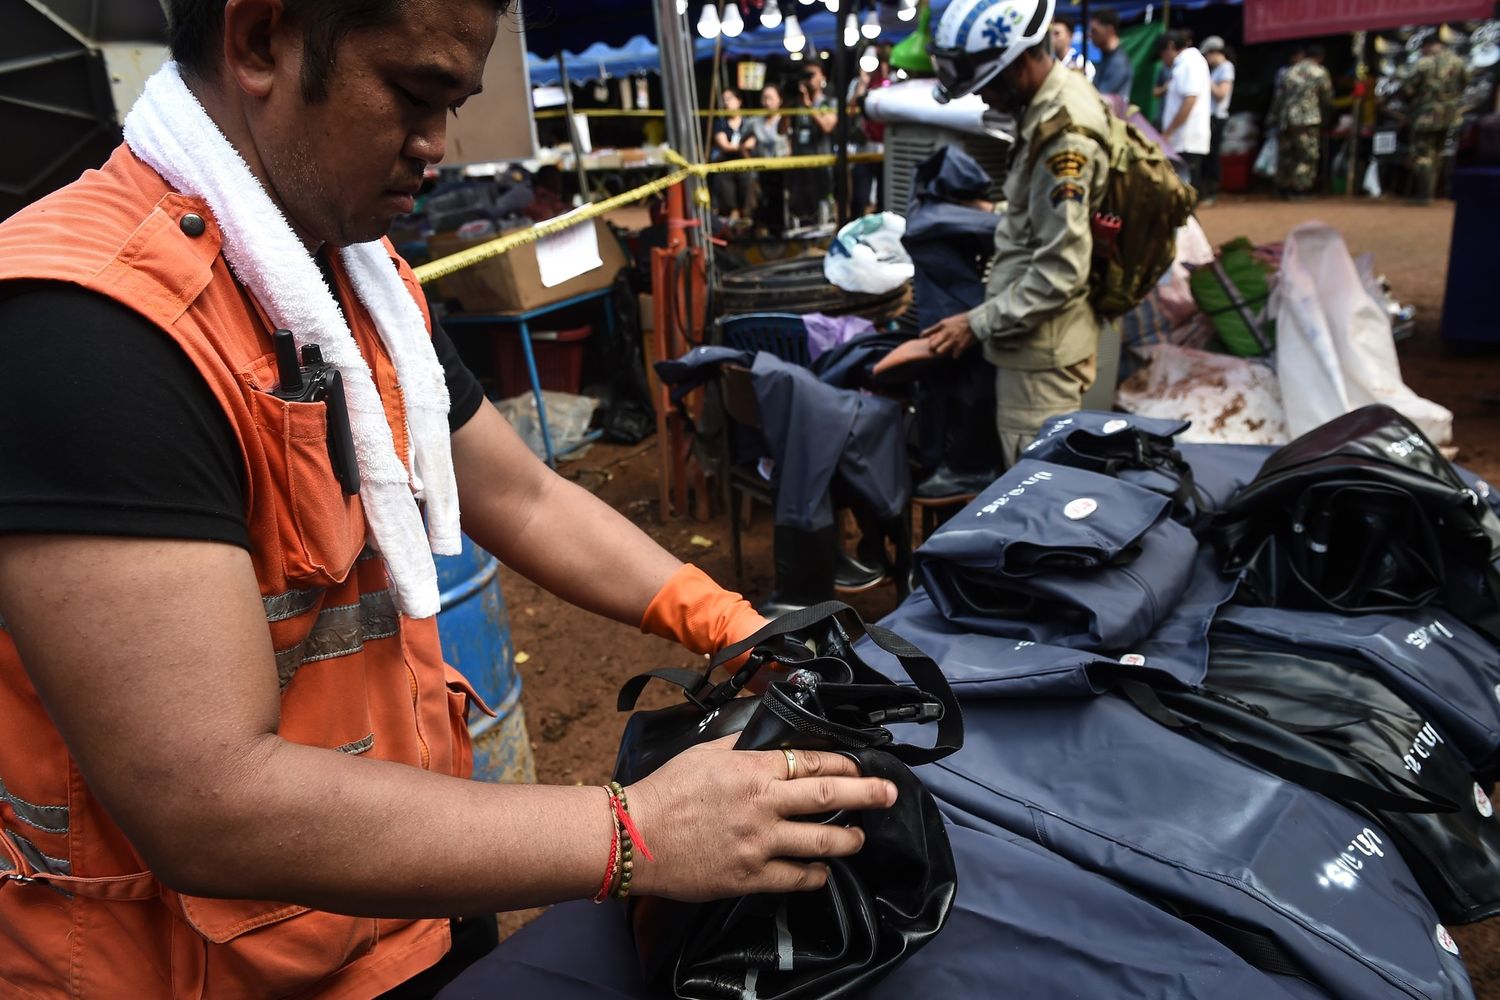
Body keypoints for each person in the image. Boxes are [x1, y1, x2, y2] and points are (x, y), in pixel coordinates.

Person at [0, 1, 898, 996]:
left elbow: (523, 496)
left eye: (454, 104)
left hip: (404, 889)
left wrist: (731, 625)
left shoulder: (357, 278)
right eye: (413, 93)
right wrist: (634, 832)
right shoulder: (90, 331)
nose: (437, 145)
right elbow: (208, 799)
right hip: (215, 968)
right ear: (259, 40)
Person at [926, 0, 1110, 467]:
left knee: (1038, 487)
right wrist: (996, 211)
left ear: (1021, 61)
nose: (985, 100)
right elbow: (1044, 210)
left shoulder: (1064, 137)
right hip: (1032, 341)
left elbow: (1060, 271)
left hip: (1040, 358)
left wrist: (974, 324)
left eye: (988, 85)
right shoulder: (1050, 104)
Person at [1401, 34, 1470, 205]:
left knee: (1423, 154)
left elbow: (1408, 89)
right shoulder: (1458, 62)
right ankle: (1437, 191)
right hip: (1449, 116)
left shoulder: (1424, 63)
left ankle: (1425, 195)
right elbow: (1464, 84)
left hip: (1426, 116)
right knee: (1438, 153)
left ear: (1427, 46)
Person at [1272, 44, 1333, 198]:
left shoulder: (1290, 71)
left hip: (1286, 119)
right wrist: (1328, 116)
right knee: (1306, 155)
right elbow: (1327, 98)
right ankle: (1300, 188)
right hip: (1307, 119)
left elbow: (1278, 98)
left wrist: (1275, 117)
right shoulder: (1319, 72)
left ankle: (1282, 186)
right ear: (1320, 58)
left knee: (1287, 153)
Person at [1157, 30, 1213, 188]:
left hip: (1187, 140)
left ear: (1170, 47)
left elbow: (1190, 100)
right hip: (1182, 140)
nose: (1163, 60)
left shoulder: (1190, 62)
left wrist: (1168, 132)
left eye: (1162, 55)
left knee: (1184, 189)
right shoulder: (1184, 64)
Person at [790, 62, 838, 226]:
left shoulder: (829, 102)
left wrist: (809, 106)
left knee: (822, 197)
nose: (808, 80)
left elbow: (827, 126)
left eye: (812, 75)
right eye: (805, 76)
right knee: (801, 199)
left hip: (821, 160)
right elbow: (782, 131)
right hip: (799, 161)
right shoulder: (797, 104)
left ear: (822, 77)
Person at [749, 83, 792, 231]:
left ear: (780, 100)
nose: (767, 101)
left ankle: (780, 228)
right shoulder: (755, 122)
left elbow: (791, 146)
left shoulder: (787, 120)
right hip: (763, 171)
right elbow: (743, 143)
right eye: (764, 98)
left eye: (770, 98)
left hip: (783, 171)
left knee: (780, 201)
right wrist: (750, 160)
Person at [710, 87, 756, 221]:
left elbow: (751, 144)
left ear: (739, 101)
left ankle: (747, 216)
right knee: (723, 185)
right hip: (726, 165)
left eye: (729, 99)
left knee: (749, 185)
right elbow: (724, 146)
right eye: (724, 100)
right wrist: (741, 147)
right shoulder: (720, 124)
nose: (726, 103)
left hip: (746, 164)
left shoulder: (749, 123)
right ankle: (731, 215)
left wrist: (736, 147)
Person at [1201, 36, 1236, 205]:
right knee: (1206, 155)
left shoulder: (1226, 68)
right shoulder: (1215, 70)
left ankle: (1212, 192)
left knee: (1213, 155)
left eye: (1207, 55)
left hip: (1217, 118)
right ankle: (1205, 191)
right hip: (1209, 117)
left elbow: (1221, 94)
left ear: (1214, 52)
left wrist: (1205, 80)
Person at [1089, 10, 1134, 99]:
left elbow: (1099, 97)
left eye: (1095, 31)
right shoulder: (1107, 57)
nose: (1091, 35)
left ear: (1109, 30)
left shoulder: (1118, 62)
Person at [1051, 17, 1096, 83]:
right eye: (1050, 34)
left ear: (1070, 35)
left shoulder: (1080, 62)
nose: (1052, 38)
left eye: (1057, 34)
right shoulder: (1049, 63)